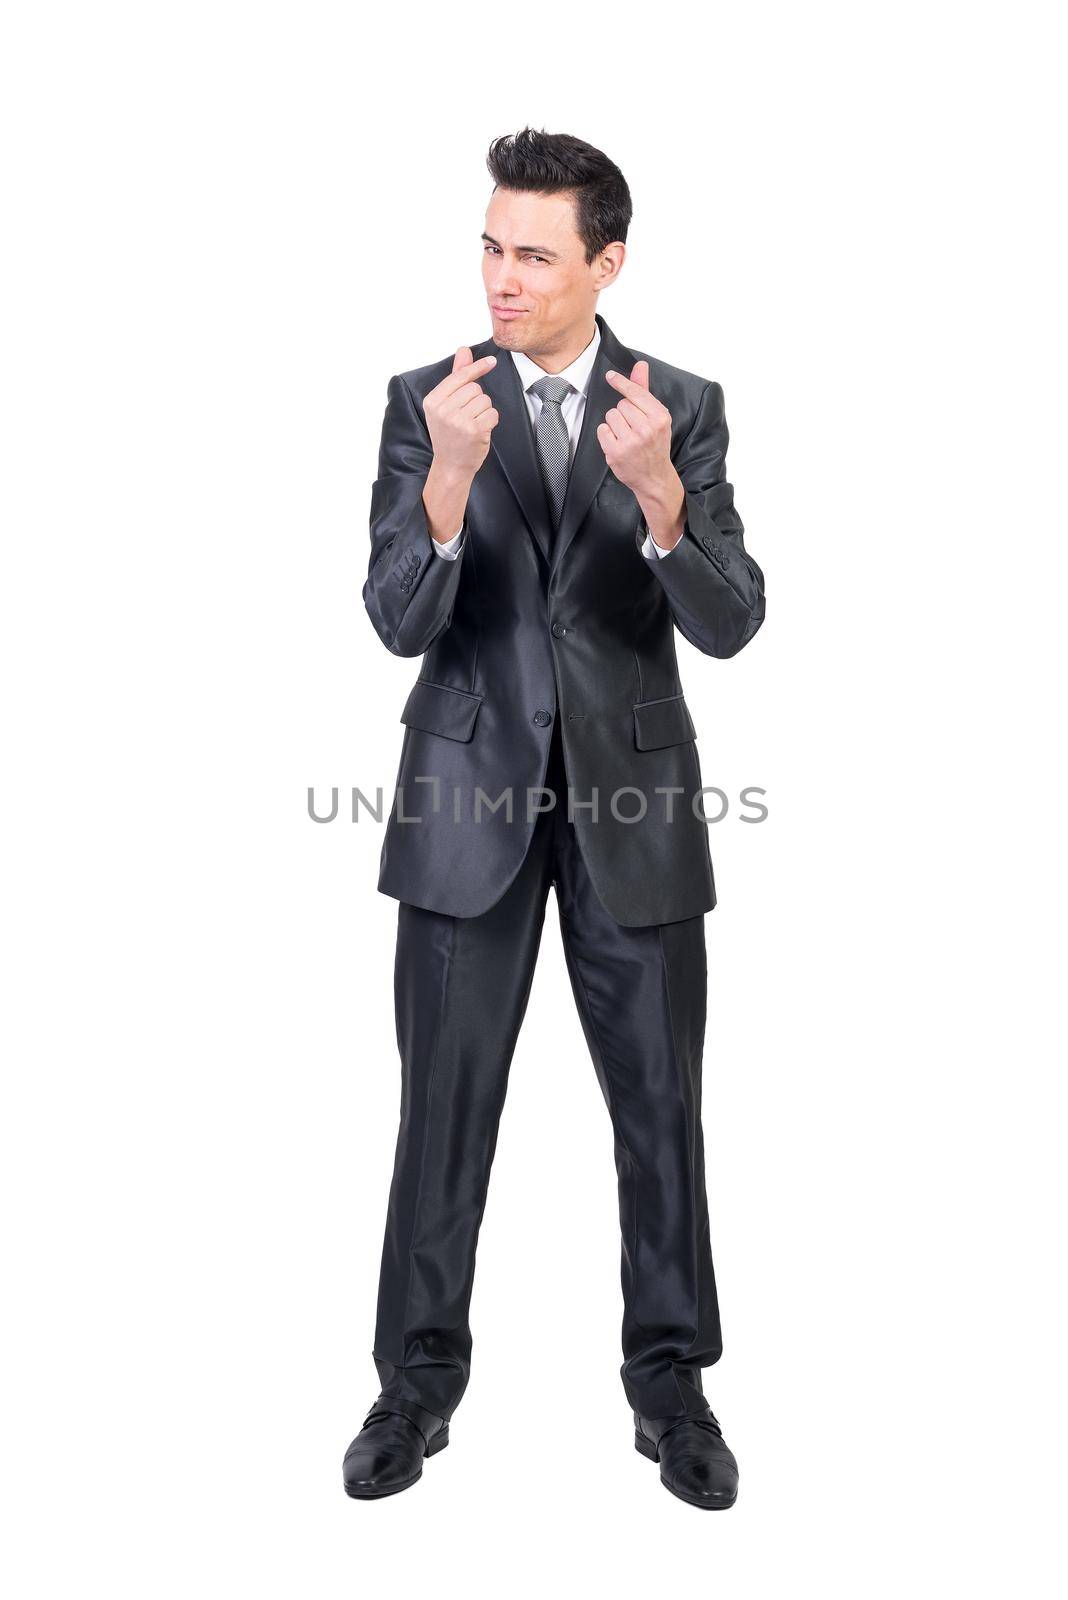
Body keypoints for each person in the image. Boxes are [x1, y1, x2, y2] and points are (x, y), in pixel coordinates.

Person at [343, 127, 764, 1509]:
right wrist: (448, 483)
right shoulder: (427, 401)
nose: (501, 279)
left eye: (533, 252)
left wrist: (660, 501)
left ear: (607, 261)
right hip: (464, 811)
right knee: (443, 1113)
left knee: (661, 1114)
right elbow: (398, 618)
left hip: (634, 814)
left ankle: (671, 1386)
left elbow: (732, 620)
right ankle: (414, 1390)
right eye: (489, 245)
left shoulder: (681, 406)